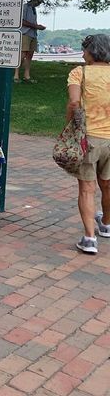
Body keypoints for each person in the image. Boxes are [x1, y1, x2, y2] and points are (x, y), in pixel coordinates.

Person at [66, 34, 110, 254]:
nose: (82, 54)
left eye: (84, 50)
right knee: (107, 183)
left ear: (92, 51)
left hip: (89, 138)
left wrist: (68, 128)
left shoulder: (79, 73)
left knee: (87, 188)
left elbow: (74, 103)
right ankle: (107, 225)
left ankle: (90, 238)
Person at [15, 0, 45, 83]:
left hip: (33, 34)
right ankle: (16, 75)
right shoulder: (25, 7)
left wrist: (37, 27)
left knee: (30, 55)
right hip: (25, 33)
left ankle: (26, 76)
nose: (39, 4)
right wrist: (36, 26)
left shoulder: (34, 9)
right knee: (22, 54)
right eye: (38, 1)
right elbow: (22, 21)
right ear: (34, 0)